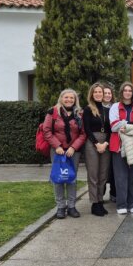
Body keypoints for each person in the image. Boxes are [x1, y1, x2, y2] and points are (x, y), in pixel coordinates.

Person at [43, 88, 86, 219]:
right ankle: (61, 206)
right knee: (59, 178)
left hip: (73, 152)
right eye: (66, 97)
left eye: (72, 98)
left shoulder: (79, 113)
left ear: (75, 100)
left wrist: (73, 147)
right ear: (61, 98)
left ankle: (72, 206)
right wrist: (57, 146)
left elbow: (83, 133)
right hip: (57, 151)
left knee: (71, 178)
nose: (69, 100)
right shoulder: (53, 112)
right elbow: (46, 131)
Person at [109, 82, 133, 215]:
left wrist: (125, 127)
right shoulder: (115, 107)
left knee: (132, 177)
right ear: (121, 92)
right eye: (125, 90)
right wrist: (132, 124)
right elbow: (113, 126)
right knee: (120, 177)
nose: (127, 92)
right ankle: (121, 205)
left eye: (130, 90)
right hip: (118, 147)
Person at [82, 82, 111, 217]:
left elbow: (110, 129)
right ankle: (94, 203)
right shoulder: (88, 109)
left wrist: (105, 143)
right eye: (96, 92)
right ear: (92, 94)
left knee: (103, 174)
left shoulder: (107, 110)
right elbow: (87, 129)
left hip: (105, 143)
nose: (98, 94)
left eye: (100, 92)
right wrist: (96, 144)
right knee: (93, 174)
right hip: (92, 142)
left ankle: (100, 200)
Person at [101, 84, 117, 203]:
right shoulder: (97, 108)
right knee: (102, 169)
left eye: (109, 93)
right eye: (105, 93)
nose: (107, 95)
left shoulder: (115, 108)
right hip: (100, 141)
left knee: (113, 169)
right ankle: (100, 193)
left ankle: (114, 193)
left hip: (113, 140)